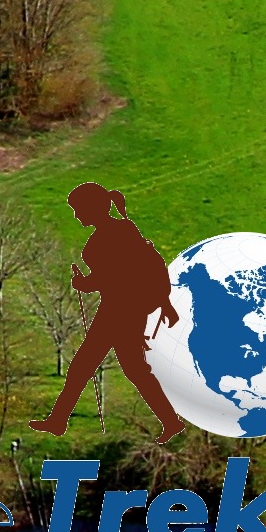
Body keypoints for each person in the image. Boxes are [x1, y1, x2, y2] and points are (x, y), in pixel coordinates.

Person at [33, 182, 181, 436]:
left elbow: (116, 276)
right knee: (116, 368)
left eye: (78, 210)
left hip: (120, 312)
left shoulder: (111, 235)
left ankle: (170, 421)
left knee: (108, 368)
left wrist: (83, 283)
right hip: (122, 310)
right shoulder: (122, 229)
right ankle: (170, 421)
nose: (77, 216)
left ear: (92, 209)